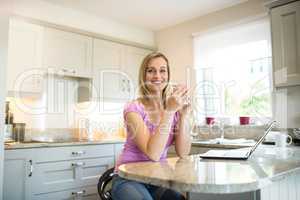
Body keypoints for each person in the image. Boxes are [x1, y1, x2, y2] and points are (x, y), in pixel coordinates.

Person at [112, 52, 191, 200]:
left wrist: (184, 114)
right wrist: (169, 111)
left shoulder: (173, 110)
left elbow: (183, 152)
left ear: (168, 75)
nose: (157, 76)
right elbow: (153, 153)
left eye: (162, 70)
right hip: (128, 179)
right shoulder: (133, 109)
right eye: (151, 71)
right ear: (143, 76)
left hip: (157, 180)